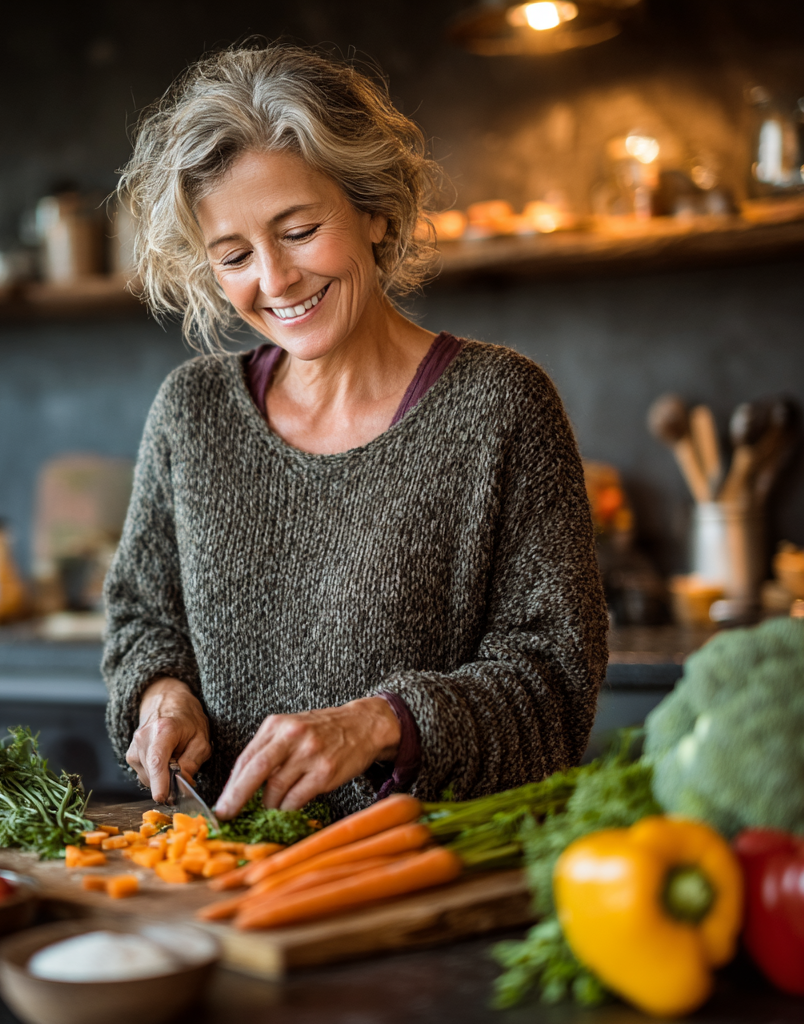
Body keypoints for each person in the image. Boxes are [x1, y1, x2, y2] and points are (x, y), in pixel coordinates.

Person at [102, 44, 608, 821]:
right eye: (234, 254)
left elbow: (554, 687)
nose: (274, 280)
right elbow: (144, 616)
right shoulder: (191, 412)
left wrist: (381, 725)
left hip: (418, 884)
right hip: (228, 881)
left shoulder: (502, 407)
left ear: (375, 210)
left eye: (299, 230)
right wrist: (163, 695)